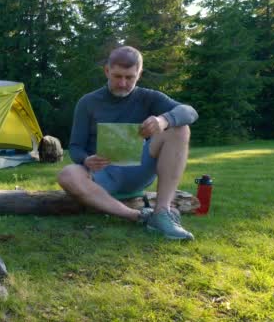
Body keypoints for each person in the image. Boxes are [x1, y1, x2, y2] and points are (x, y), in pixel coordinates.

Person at [57, 46, 198, 240]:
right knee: (67, 174)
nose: (123, 83)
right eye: (117, 76)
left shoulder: (149, 97)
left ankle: (162, 211)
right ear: (107, 71)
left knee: (180, 127)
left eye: (130, 77)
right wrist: (86, 159)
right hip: (101, 176)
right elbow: (75, 147)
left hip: (139, 170)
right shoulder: (88, 102)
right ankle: (138, 216)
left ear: (139, 74)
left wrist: (164, 120)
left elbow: (190, 112)